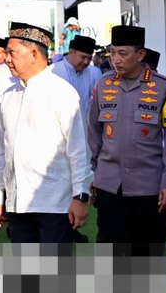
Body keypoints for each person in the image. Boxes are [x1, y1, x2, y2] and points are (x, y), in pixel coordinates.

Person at [0, 22, 90, 245]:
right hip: (18, 205)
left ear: (33, 54)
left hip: (55, 205)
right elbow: (0, 149)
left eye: (12, 53)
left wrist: (80, 196)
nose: (7, 59)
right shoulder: (7, 94)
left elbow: (79, 150)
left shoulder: (62, 93)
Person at [88, 26, 166, 256]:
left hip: (148, 188)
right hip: (110, 185)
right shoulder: (103, 84)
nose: (115, 60)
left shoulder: (164, 87)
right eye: (112, 53)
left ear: (140, 55)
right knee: (110, 251)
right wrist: (93, 172)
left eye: (123, 53)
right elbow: (93, 132)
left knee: (145, 254)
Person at [49, 35, 101, 243]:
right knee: (63, 183)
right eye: (82, 57)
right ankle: (63, 226)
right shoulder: (54, 72)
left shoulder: (94, 73)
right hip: (58, 138)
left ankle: (73, 226)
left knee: (80, 180)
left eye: (89, 58)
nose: (86, 62)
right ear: (70, 52)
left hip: (85, 135)